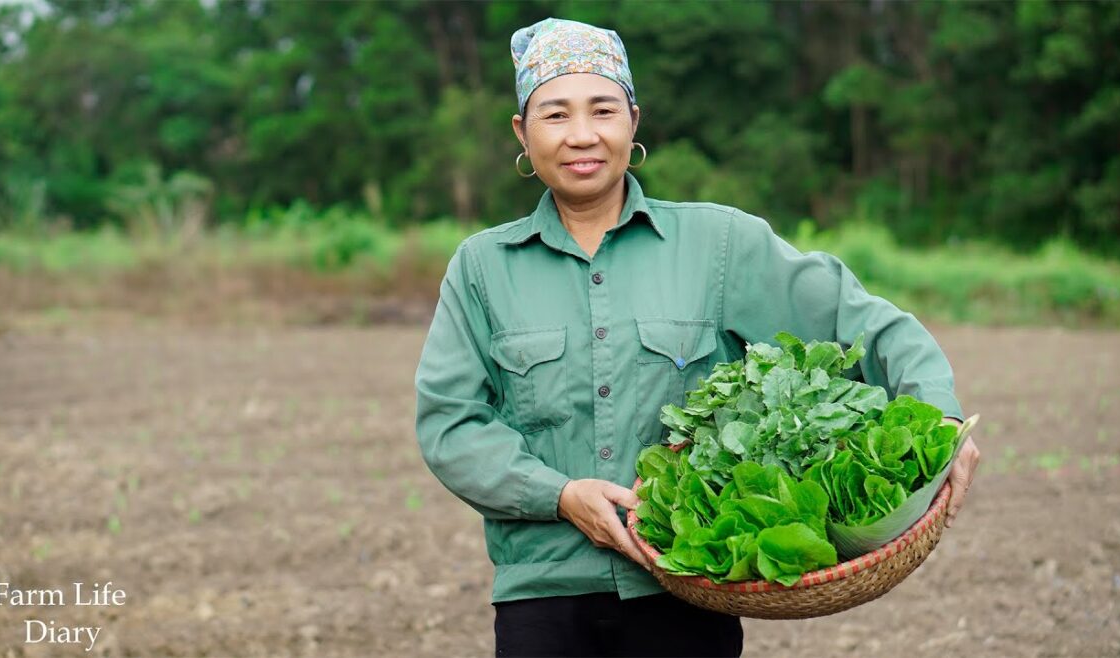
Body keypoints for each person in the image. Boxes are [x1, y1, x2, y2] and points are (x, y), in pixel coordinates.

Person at [414, 16, 980, 658]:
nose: (581, 136)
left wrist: (942, 427)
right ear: (522, 132)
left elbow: (870, 327)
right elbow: (451, 424)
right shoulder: (483, 267)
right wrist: (561, 495)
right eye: (554, 115)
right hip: (541, 601)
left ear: (633, 119)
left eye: (602, 109)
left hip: (686, 594)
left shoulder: (719, 245)